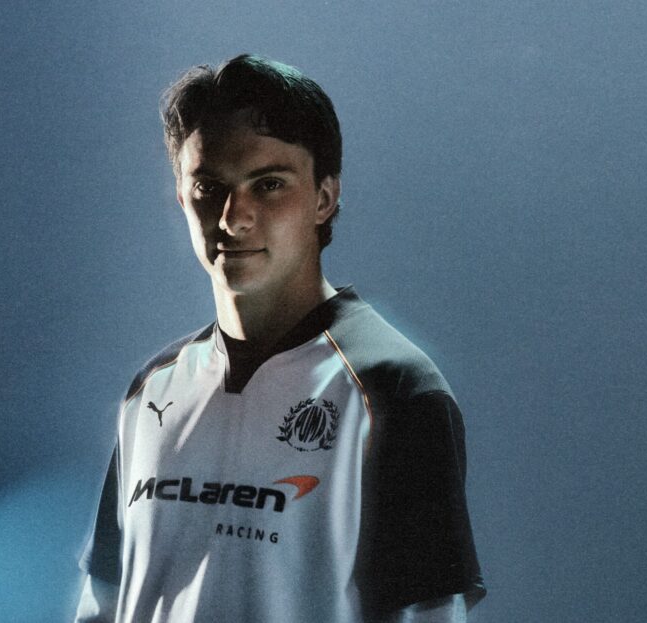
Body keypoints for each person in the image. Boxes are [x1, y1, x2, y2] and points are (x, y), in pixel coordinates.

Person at [75, 54, 485, 623]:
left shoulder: (393, 389)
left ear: (324, 197)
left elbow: (429, 614)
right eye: (209, 186)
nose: (233, 217)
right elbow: (102, 603)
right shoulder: (153, 389)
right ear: (182, 198)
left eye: (268, 185)